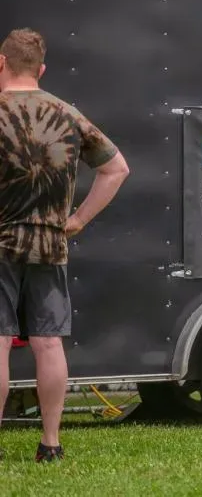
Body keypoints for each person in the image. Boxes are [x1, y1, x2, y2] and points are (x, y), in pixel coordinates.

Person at [0, 28, 130, 462]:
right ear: (41, 69)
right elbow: (117, 169)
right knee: (48, 343)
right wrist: (76, 220)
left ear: (1, 64)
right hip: (50, 243)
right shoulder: (67, 114)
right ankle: (51, 444)